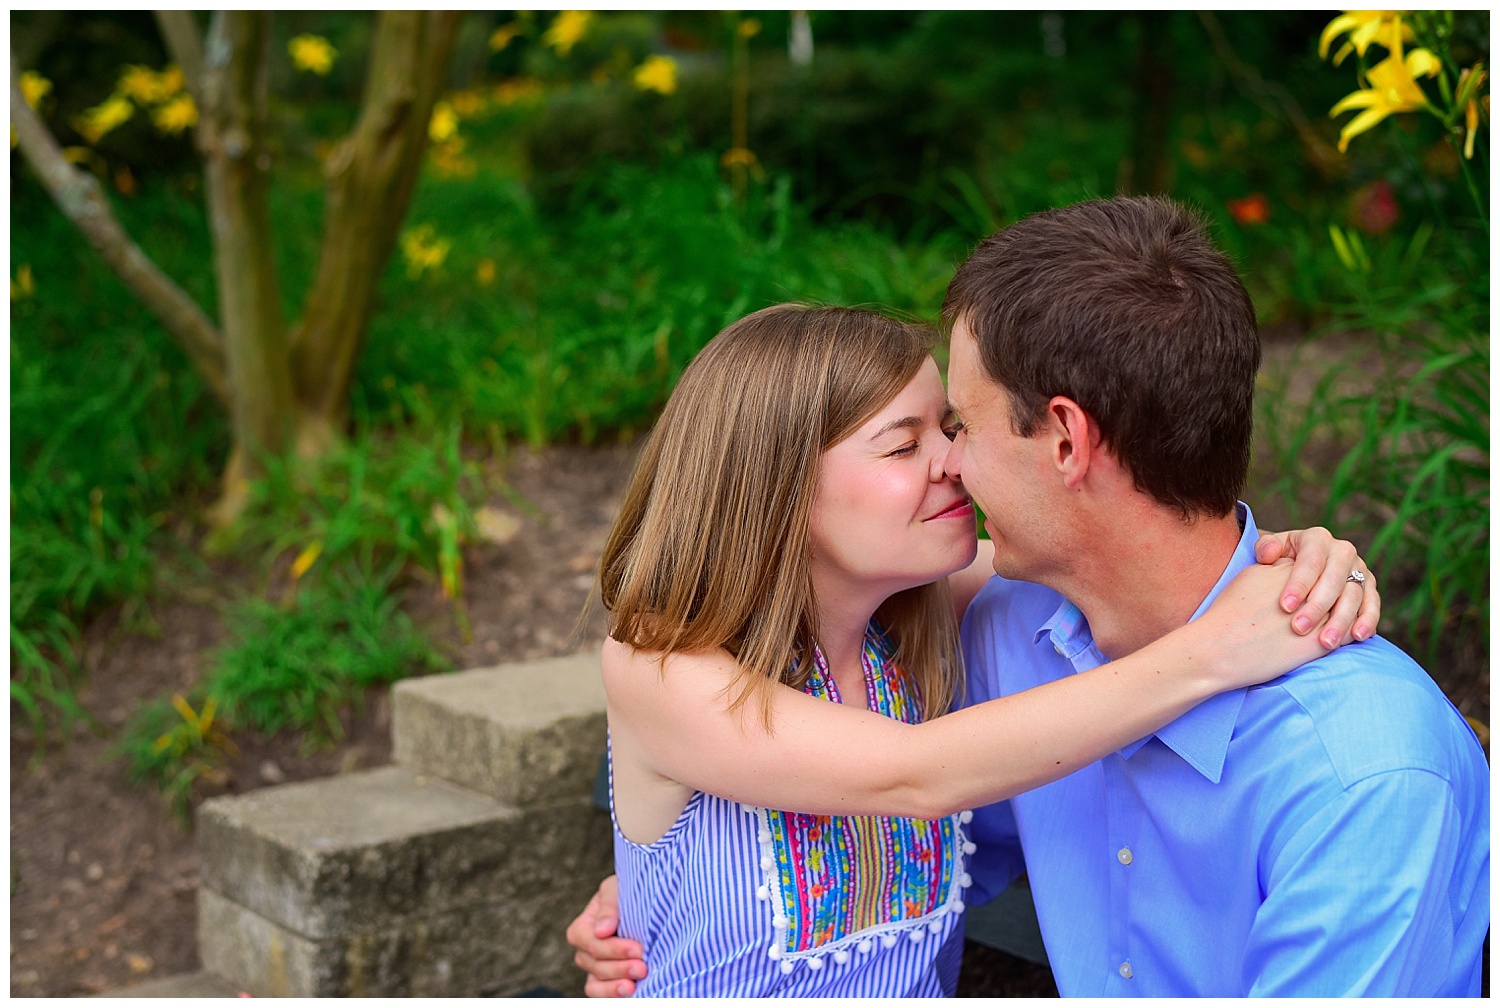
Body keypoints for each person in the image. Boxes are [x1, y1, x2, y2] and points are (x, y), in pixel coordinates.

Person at [569, 197, 1488, 997]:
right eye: (910, 443)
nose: (950, 463)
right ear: (775, 490)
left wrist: (1313, 568)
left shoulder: (1357, 767)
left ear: (1064, 441)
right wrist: (665, 889)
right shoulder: (999, 636)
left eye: (957, 425)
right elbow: (913, 778)